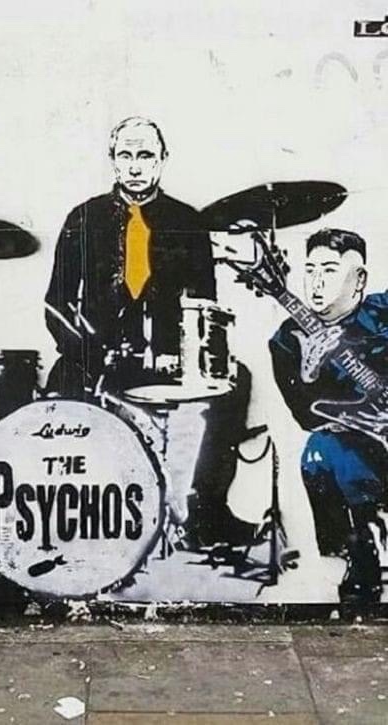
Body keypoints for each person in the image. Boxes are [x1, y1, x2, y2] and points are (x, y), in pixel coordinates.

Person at [44, 116, 256, 547]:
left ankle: (205, 512)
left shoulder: (188, 222)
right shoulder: (83, 218)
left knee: (237, 382)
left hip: (168, 359)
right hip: (97, 356)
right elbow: (56, 305)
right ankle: (80, 519)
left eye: (145, 155)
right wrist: (89, 351)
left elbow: (204, 306)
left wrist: (183, 354)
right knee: (60, 387)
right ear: (112, 160)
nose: (136, 165)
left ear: (162, 159)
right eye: (126, 155)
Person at [270, 228, 388, 605]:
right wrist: (308, 372)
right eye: (310, 270)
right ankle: (359, 553)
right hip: (368, 454)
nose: (317, 282)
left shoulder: (382, 311)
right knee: (320, 451)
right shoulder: (287, 339)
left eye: (330, 270)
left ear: (359, 280)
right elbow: (307, 418)